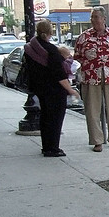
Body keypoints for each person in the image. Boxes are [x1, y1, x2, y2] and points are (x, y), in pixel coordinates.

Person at [74, 6, 109, 152]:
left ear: (104, 19)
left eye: (96, 17)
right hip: (91, 77)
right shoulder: (84, 37)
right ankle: (96, 140)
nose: (93, 20)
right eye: (92, 17)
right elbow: (77, 56)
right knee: (92, 110)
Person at [24, 19, 81, 157]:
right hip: (55, 90)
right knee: (55, 119)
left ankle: (46, 146)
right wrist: (71, 90)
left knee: (45, 117)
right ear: (50, 32)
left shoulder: (30, 48)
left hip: (40, 88)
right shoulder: (51, 51)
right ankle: (53, 148)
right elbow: (59, 75)